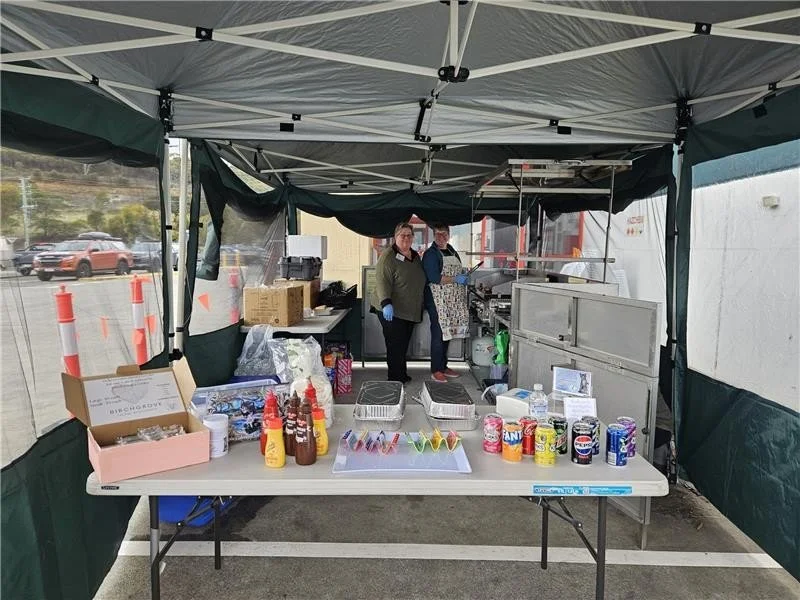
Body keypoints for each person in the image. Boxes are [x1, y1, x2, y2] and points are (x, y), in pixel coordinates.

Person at [371, 222, 426, 383]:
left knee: (403, 345)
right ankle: (395, 378)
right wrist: (386, 303)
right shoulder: (388, 256)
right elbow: (382, 281)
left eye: (409, 235)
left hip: (409, 310)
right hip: (391, 310)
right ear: (396, 237)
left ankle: (401, 374)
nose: (406, 238)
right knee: (395, 345)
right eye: (402, 235)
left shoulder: (415, 256)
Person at [422, 224, 470, 382]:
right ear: (433, 236)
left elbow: (457, 269)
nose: (440, 237)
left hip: (451, 299)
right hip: (437, 298)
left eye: (444, 234)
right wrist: (456, 279)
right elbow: (434, 278)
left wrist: (463, 276)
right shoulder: (430, 254)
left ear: (449, 235)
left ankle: (443, 366)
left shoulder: (451, 250)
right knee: (438, 332)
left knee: (447, 331)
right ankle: (436, 369)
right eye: (437, 234)